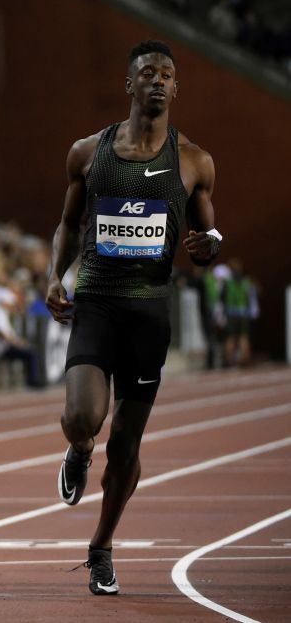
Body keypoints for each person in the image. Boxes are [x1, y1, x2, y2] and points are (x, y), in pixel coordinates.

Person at [44, 41, 219, 596]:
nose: (159, 82)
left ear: (176, 87)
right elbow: (68, 225)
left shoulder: (193, 161)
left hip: (149, 314)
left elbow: (210, 235)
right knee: (82, 416)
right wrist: (55, 276)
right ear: (130, 84)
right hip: (96, 300)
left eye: (168, 74)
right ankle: (77, 449)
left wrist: (207, 246)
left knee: (126, 448)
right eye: (148, 73)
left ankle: (101, 547)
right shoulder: (88, 153)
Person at [0, 286, 39, 387]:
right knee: (30, 353)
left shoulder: (0, 312)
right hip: (0, 349)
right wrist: (18, 343)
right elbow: (1, 334)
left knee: (29, 351)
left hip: (4, 346)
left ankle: (32, 380)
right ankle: (33, 381)